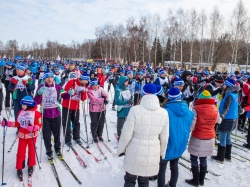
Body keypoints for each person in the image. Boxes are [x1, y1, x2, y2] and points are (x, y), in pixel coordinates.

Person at [117, 83, 169, 187]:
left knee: (130, 179)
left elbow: (126, 133)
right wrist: (162, 153)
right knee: (144, 181)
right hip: (152, 151)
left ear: (143, 94)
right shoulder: (164, 113)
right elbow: (164, 137)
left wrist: (121, 149)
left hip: (134, 150)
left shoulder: (135, 110)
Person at [158, 87, 194, 187]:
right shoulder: (189, 113)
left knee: (162, 168)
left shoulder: (164, 112)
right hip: (180, 144)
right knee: (174, 166)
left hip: (167, 145)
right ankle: (172, 184)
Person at [185, 90, 221, 186]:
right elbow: (219, 120)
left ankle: (195, 180)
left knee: (194, 157)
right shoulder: (215, 108)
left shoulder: (196, 108)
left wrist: (187, 132)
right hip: (209, 136)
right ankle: (201, 180)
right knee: (203, 158)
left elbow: (192, 124)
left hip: (198, 136)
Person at [1, 96, 42, 179]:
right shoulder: (21, 112)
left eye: (23, 105)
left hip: (31, 136)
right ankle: (19, 168)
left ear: (28, 105)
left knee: (31, 151)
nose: (22, 106)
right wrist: (7, 123)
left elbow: (39, 125)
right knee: (20, 153)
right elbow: (17, 123)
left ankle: (31, 165)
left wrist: (34, 127)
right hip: (22, 136)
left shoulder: (36, 113)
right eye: (22, 105)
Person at [34, 71, 70, 159]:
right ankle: (49, 151)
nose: (50, 79)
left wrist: (69, 94)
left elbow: (64, 95)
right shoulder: (41, 87)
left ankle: (57, 149)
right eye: (47, 77)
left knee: (57, 133)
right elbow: (36, 102)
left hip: (56, 113)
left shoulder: (57, 86)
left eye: (51, 77)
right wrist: (39, 94)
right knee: (46, 134)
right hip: (45, 114)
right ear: (44, 79)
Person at [212, 79, 244, 163]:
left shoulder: (229, 95)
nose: (223, 86)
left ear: (228, 86)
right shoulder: (234, 94)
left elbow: (226, 108)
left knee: (223, 137)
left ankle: (220, 157)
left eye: (225, 85)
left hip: (227, 119)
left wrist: (221, 117)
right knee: (228, 137)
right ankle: (227, 156)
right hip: (233, 118)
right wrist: (241, 111)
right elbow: (237, 105)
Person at [61, 74, 89, 146]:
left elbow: (83, 98)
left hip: (76, 106)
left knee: (76, 122)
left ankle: (76, 137)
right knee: (66, 123)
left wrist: (83, 92)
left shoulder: (83, 85)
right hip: (67, 105)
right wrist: (72, 92)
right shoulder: (71, 82)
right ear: (82, 79)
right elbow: (63, 93)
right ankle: (67, 139)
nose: (86, 82)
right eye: (86, 81)